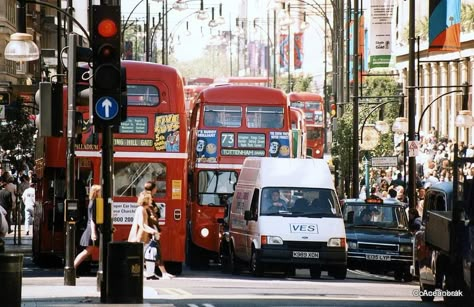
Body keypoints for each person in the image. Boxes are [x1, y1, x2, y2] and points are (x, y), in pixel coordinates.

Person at [143, 181, 174, 280]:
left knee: (150, 250)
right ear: (152, 189)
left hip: (150, 227)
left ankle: (149, 272)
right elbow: (152, 213)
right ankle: (163, 273)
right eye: (155, 188)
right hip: (151, 227)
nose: (157, 189)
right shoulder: (149, 198)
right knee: (155, 249)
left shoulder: (146, 196)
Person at [128, 191, 159, 279]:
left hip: (143, 236)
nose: (152, 200)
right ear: (146, 199)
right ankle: (144, 274)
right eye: (150, 198)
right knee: (144, 255)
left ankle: (149, 274)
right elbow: (142, 224)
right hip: (139, 236)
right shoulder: (141, 209)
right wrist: (153, 231)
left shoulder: (143, 209)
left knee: (148, 254)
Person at [74, 184, 101, 271]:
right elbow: (93, 219)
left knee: (88, 251)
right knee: (87, 251)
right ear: (96, 192)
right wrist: (93, 233)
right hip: (92, 229)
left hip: (92, 228)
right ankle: (72, 268)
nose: (102, 192)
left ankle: (73, 268)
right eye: (100, 191)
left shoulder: (92, 201)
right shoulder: (95, 202)